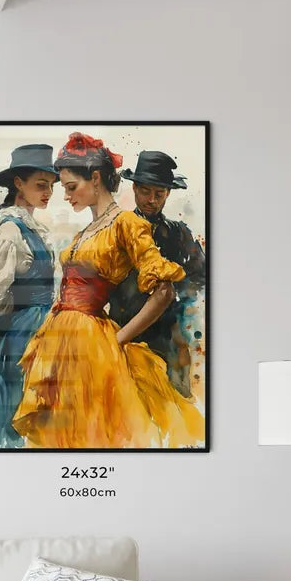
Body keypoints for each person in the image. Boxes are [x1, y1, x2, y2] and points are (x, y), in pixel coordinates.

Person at [12, 133, 204, 449]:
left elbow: (164, 292)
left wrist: (116, 340)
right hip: (60, 340)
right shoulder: (88, 229)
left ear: (96, 178)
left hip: (93, 343)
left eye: (71, 187)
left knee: (93, 431)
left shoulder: (127, 223)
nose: (66, 196)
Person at [0, 144, 57, 449]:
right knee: (20, 410)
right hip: (20, 337)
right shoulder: (10, 231)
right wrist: (21, 307)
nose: (48, 193)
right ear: (18, 183)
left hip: (41, 331)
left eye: (51, 186)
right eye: (40, 185)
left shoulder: (32, 227)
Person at [108, 150, 206, 396]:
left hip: (169, 338)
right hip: (125, 333)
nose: (151, 200)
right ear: (135, 190)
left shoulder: (179, 233)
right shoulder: (118, 229)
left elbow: (201, 277)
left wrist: (173, 293)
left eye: (159, 194)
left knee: (174, 406)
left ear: (168, 194)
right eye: (145, 191)